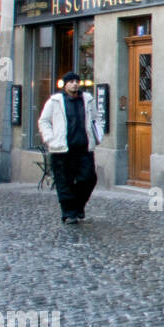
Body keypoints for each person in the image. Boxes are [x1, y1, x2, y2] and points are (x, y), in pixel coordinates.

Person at [37, 71, 104, 224]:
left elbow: (96, 119)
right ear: (65, 84)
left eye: (77, 81)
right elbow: (44, 121)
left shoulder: (87, 99)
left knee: (89, 178)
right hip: (62, 149)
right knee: (64, 181)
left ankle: (78, 205)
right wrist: (50, 139)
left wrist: (97, 136)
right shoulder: (55, 101)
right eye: (71, 81)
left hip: (84, 147)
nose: (75, 83)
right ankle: (69, 213)